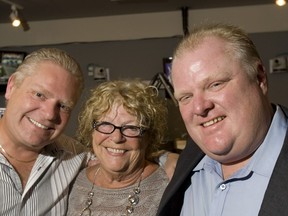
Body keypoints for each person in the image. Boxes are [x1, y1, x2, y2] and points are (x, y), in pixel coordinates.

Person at [157, 23, 288, 216]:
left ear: (259, 78)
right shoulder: (190, 157)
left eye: (215, 85)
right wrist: (163, 156)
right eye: (186, 97)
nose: (200, 108)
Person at [0, 48, 88, 215]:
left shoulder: (75, 155)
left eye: (63, 106)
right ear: (11, 87)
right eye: (39, 94)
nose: (49, 114)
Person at [67, 80, 174, 216]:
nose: (117, 138)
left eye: (131, 128)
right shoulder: (75, 179)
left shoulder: (169, 185)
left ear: (149, 137)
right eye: (105, 124)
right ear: (91, 131)